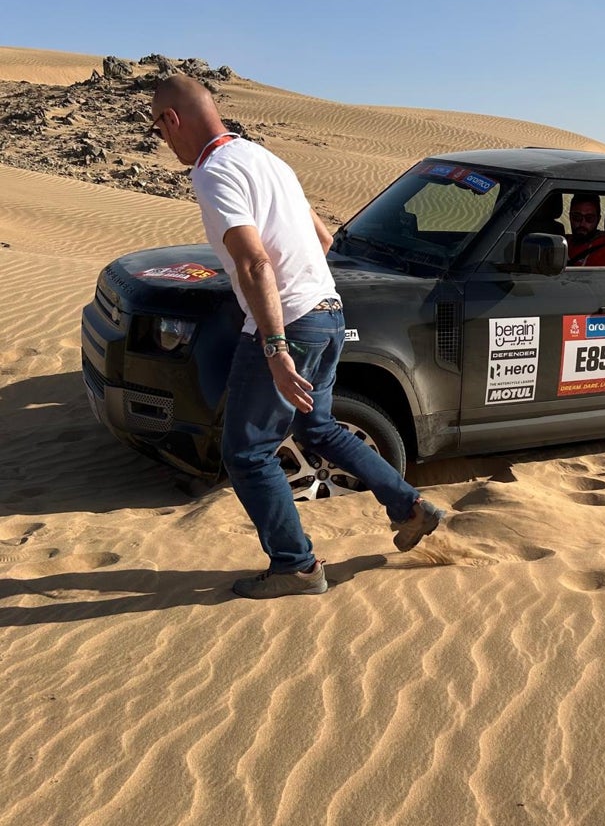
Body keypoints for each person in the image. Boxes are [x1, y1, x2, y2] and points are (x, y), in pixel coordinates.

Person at [149, 75, 446, 598]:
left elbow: (255, 261)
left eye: (159, 127)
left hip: (289, 326)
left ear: (173, 119)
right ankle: (410, 506)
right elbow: (324, 237)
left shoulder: (214, 172)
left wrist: (276, 346)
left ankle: (296, 566)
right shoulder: (265, 159)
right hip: (327, 311)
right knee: (319, 429)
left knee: (247, 452)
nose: (162, 140)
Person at [566, 193, 605, 266]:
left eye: (589, 218)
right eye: (577, 217)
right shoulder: (564, 241)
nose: (582, 224)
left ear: (598, 220)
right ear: (570, 217)